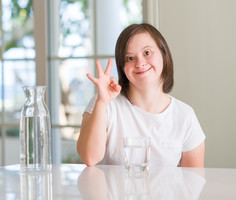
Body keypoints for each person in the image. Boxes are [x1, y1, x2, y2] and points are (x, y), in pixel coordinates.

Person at [77, 23, 205, 167]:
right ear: (122, 67)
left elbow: (193, 182)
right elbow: (89, 158)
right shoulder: (104, 103)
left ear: (164, 54)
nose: (139, 63)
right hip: (113, 191)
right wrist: (101, 102)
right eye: (130, 58)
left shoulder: (185, 115)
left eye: (147, 53)